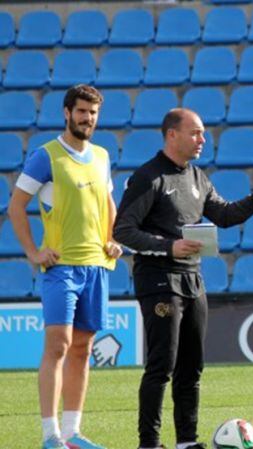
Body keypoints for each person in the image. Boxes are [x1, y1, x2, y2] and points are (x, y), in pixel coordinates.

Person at [113, 108, 253, 449]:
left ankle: (186, 442)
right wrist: (169, 246)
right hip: (159, 279)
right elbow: (122, 230)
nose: (202, 139)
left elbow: (223, 214)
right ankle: (148, 443)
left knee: (192, 368)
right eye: (195, 133)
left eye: (203, 133)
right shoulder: (149, 177)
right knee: (161, 365)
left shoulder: (197, 177)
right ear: (172, 135)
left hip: (193, 279)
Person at [8, 84, 121, 449]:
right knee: (58, 346)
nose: (87, 118)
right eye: (82, 111)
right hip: (62, 268)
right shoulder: (47, 156)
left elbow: (108, 203)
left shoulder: (102, 156)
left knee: (83, 349)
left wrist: (112, 239)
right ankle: (50, 435)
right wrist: (32, 251)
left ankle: (73, 433)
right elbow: (15, 206)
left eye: (93, 113)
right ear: (67, 112)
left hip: (97, 266)